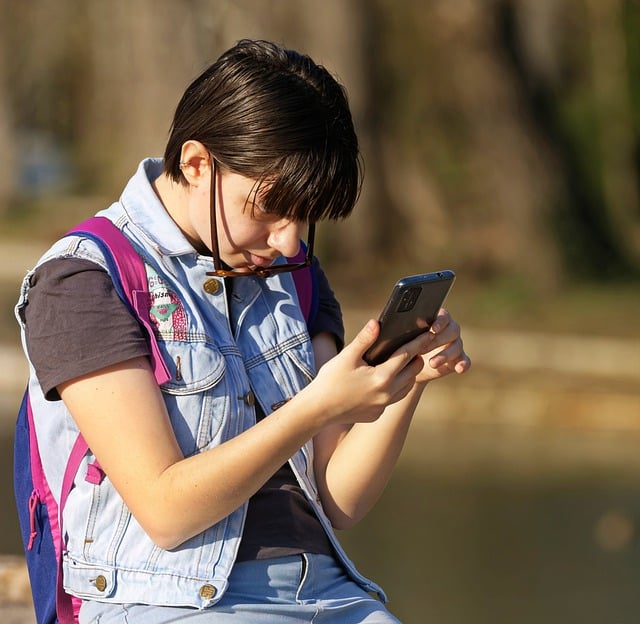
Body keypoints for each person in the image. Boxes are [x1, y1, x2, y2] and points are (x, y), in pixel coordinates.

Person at [16, 39, 470, 623]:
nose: (288, 241)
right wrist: (313, 409)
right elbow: (165, 509)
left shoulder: (293, 275)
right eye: (270, 207)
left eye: (303, 215)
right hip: (165, 602)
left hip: (329, 593)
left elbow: (338, 501)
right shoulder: (86, 279)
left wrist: (408, 382)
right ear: (198, 162)